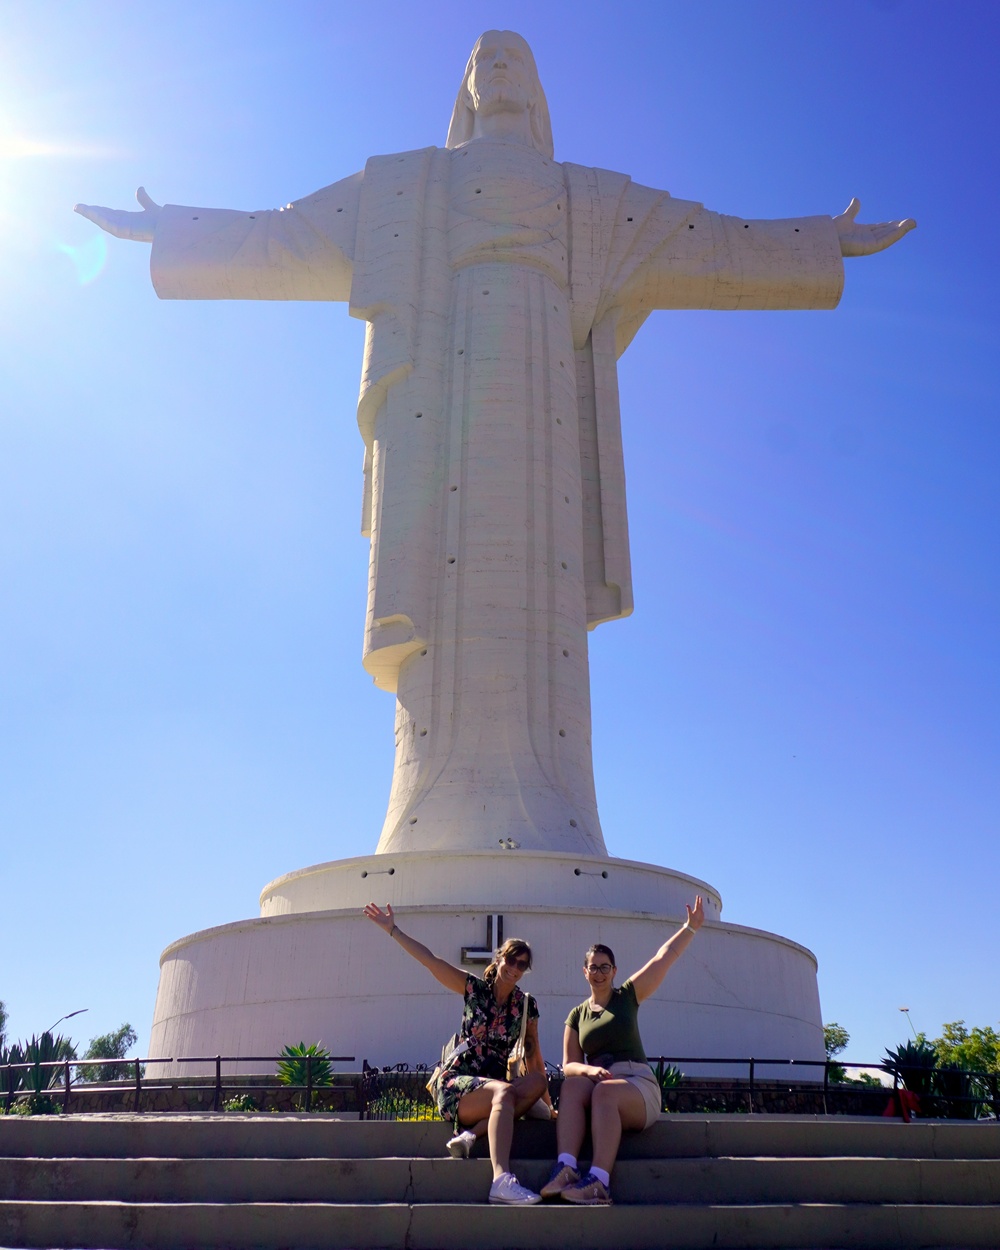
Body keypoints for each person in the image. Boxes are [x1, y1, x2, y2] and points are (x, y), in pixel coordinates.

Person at [75, 32, 915, 865]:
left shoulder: (591, 197)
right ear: (467, 88)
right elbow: (284, 234)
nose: (500, 68)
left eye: (515, 58)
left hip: (546, 389)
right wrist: (173, 230)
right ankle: (426, 816)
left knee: (542, 600)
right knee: (441, 597)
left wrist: (817, 241)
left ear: (539, 89)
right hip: (441, 394)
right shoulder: (404, 185)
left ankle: (560, 816)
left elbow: (711, 239)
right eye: (485, 59)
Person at [363, 902, 550, 1205]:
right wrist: (393, 930)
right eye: (511, 960)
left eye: (522, 964)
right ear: (499, 958)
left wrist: (548, 1106)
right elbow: (431, 961)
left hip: (495, 1090)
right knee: (504, 1092)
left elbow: (533, 1055)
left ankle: (472, 1134)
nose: (515, 968)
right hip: (458, 1084)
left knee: (537, 1082)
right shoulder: (474, 989)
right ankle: (501, 1181)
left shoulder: (525, 1004)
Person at [541, 895, 705, 1205]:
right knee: (573, 1085)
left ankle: (599, 1182)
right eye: (593, 967)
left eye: (605, 967)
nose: (599, 973)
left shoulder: (627, 997)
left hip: (636, 1085)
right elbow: (569, 1065)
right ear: (584, 972)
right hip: (599, 1081)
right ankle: (566, 1167)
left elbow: (662, 958)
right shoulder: (577, 1014)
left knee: (604, 1093)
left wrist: (690, 928)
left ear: (614, 970)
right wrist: (589, 1070)